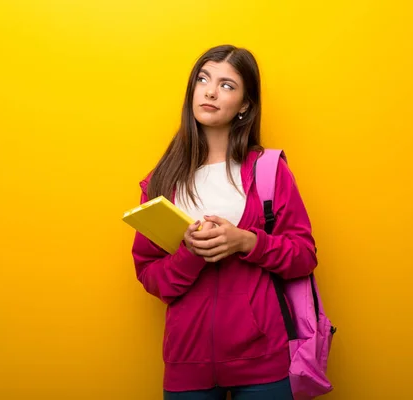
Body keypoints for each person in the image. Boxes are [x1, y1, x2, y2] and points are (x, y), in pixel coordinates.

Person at [131, 44, 318, 400]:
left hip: (264, 361)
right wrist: (191, 254)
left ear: (245, 104)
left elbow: (304, 256)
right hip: (187, 364)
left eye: (227, 85)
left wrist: (246, 241)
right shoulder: (161, 181)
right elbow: (150, 275)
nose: (211, 91)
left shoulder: (268, 170)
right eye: (203, 79)